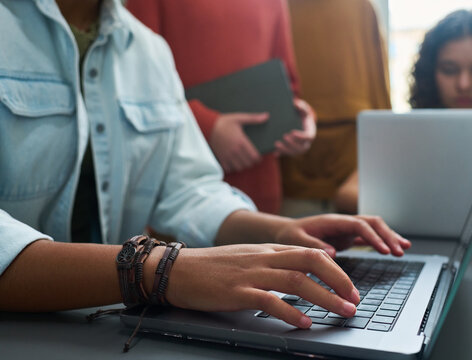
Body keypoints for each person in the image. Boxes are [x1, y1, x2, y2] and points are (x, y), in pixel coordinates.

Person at [0, 0, 410, 330]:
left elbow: (186, 188)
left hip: (94, 326)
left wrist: (279, 231)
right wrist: (160, 270)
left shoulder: (148, 50)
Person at [126, 0, 316, 215]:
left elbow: (287, 84)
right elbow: (135, 81)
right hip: (182, 195)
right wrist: (208, 126)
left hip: (260, 188)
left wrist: (300, 117)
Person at [334, 8, 472, 214]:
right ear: (430, 74)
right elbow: (346, 195)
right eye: (449, 70)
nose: (464, 84)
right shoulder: (409, 130)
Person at [280, 0, 391, 217]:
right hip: (291, 179)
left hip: (355, 179)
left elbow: (380, 97)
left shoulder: (361, 7)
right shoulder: (275, 7)